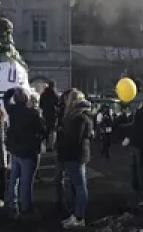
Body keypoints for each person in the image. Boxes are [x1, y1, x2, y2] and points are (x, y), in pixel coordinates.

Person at [3, 87, 45, 216]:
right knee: (27, 181)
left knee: (14, 180)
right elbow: (43, 130)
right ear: (27, 98)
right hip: (29, 151)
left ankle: (13, 204)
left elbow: (5, 97)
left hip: (15, 150)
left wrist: (14, 89)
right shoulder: (33, 113)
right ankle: (26, 206)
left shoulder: (12, 111)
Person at [57, 90, 93, 229]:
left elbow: (75, 138)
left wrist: (62, 138)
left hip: (76, 156)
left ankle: (80, 217)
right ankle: (76, 214)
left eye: (71, 99)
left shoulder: (80, 118)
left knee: (80, 187)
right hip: (72, 155)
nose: (68, 102)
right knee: (76, 186)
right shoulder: (74, 116)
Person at [40, 81, 60, 151]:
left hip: (45, 114)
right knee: (52, 130)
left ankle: (45, 144)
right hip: (53, 115)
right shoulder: (55, 94)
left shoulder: (43, 94)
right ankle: (50, 146)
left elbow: (40, 105)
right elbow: (58, 105)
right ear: (54, 86)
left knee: (46, 130)